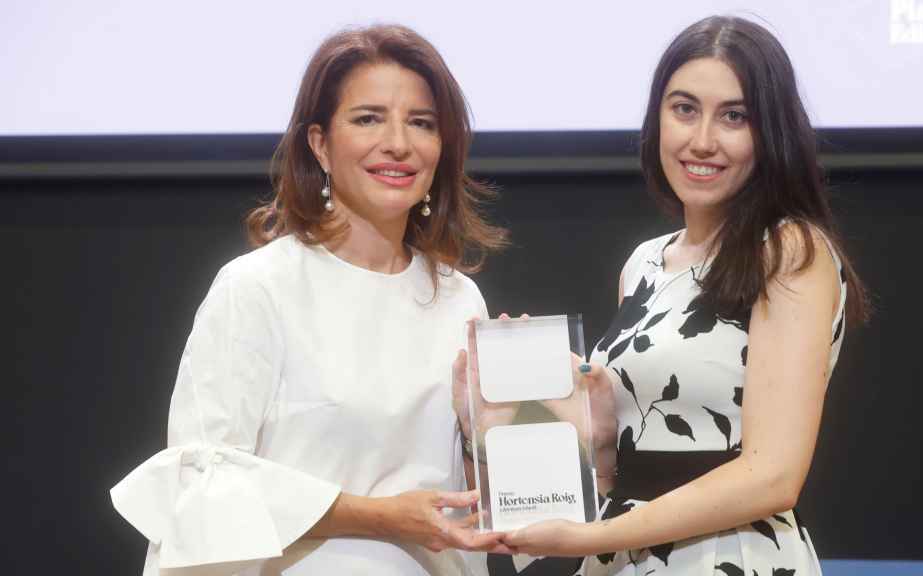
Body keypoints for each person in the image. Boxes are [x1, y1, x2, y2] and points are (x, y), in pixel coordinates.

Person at [110, 24, 510, 575]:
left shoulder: (460, 298)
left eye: (421, 123)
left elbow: (476, 496)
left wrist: (514, 424)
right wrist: (379, 517)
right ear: (319, 144)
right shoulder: (257, 287)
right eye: (368, 118)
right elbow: (203, 479)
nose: (398, 142)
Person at [501, 15, 870, 576]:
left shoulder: (791, 250)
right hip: (624, 556)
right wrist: (591, 427)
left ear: (771, 132)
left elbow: (773, 476)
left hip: (728, 557)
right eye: (684, 109)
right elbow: (627, 464)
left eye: (734, 116)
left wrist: (595, 535)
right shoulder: (645, 261)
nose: (702, 140)